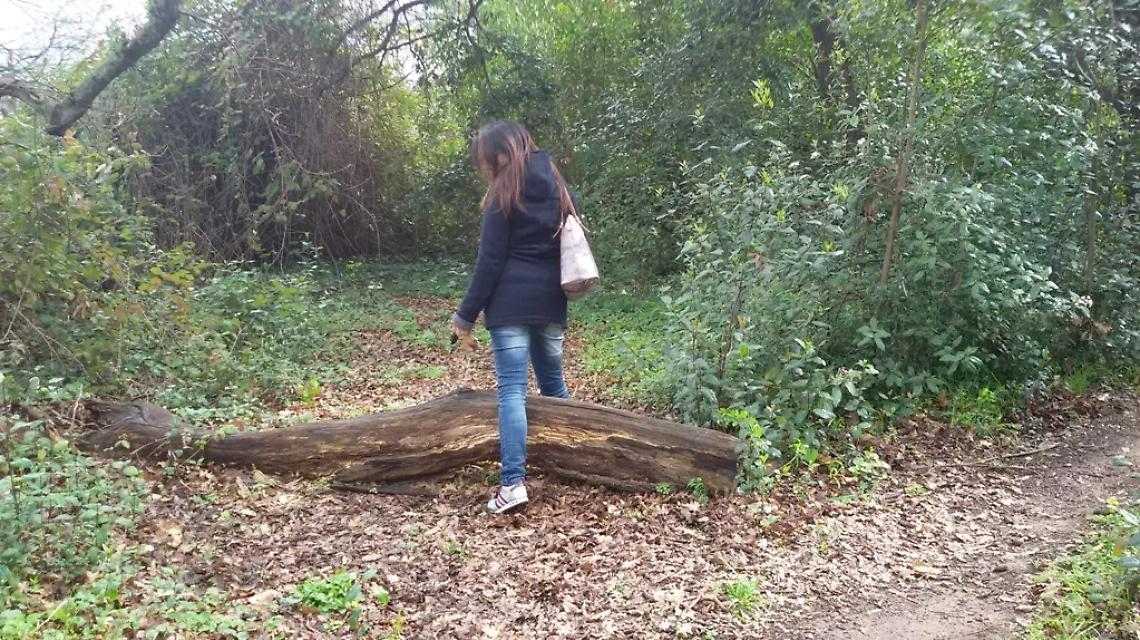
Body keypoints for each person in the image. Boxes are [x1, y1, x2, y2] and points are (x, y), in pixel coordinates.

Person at [451, 120, 577, 514]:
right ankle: (575, 462)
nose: (487, 168)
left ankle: (512, 484)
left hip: (509, 306)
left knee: (512, 393)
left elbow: (489, 262)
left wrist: (464, 316)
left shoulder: (503, 192)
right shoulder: (558, 185)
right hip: (552, 302)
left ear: (502, 153)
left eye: (488, 160)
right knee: (554, 386)